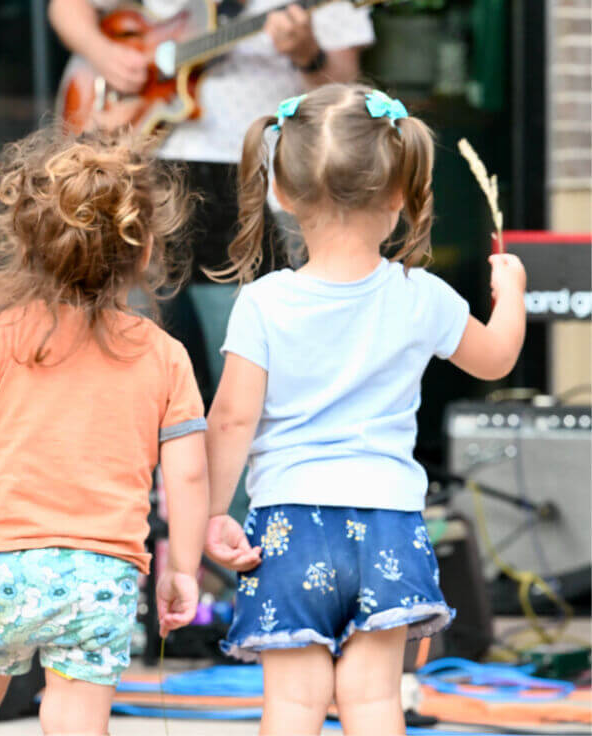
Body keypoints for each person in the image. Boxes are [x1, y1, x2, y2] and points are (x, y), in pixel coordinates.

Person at [203, 83, 526, 736]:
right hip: (388, 524)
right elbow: (494, 360)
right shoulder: (421, 295)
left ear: (283, 195)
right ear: (401, 194)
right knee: (374, 698)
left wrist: (211, 513)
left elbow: (232, 420)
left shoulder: (265, 302)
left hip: (289, 524)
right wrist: (511, 290)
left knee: (293, 702)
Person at [48, 0, 374, 404]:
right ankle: (147, 501)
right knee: (131, 359)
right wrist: (107, 58)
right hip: (147, 165)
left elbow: (344, 78)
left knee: (244, 371)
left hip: (257, 174)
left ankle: (238, 505)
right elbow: (68, 2)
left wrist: (306, 51)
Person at [0, 127, 208, 736]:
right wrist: (183, 564)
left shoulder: (8, 334)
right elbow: (190, 472)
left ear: (32, 245)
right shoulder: (164, 355)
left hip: (6, 565)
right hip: (102, 576)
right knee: (75, 715)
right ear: (144, 248)